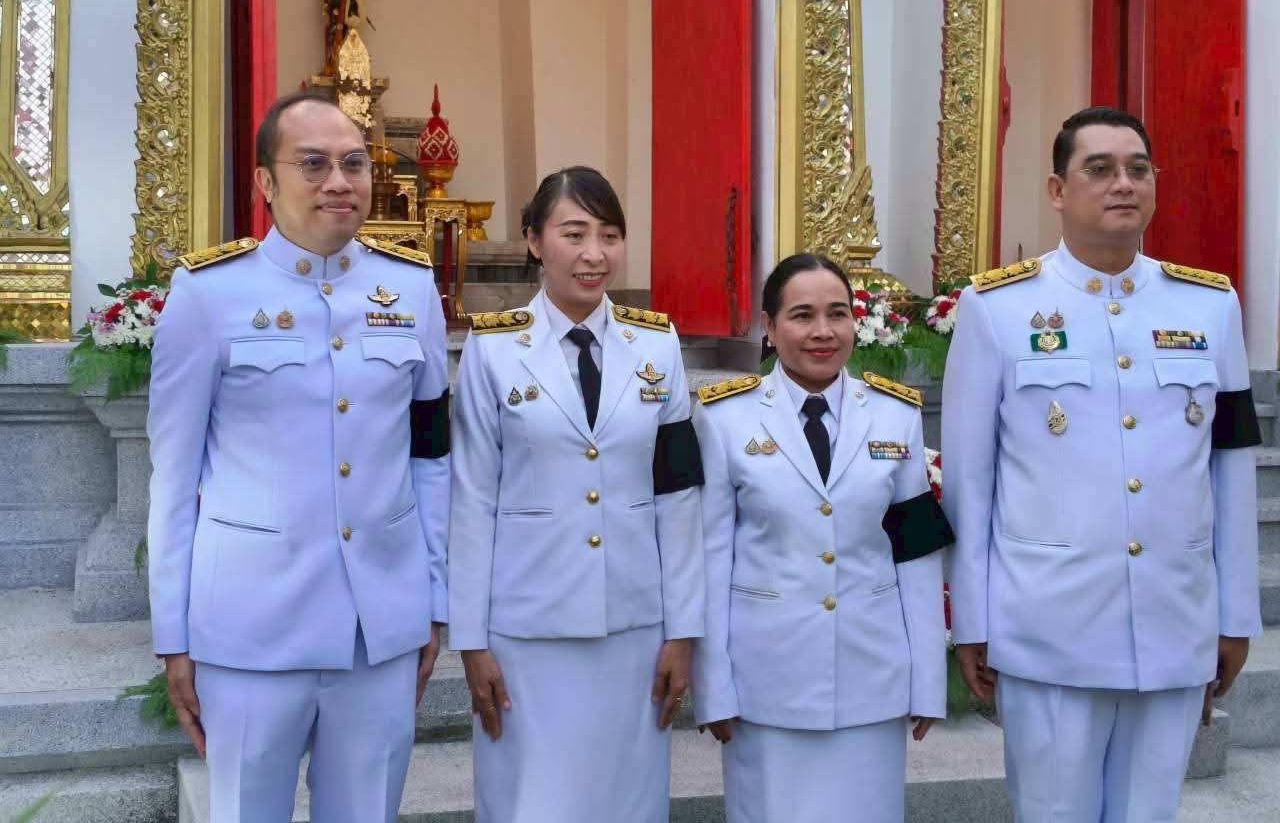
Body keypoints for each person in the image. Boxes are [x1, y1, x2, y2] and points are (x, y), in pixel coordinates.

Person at [942, 106, 1262, 822]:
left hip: (1173, 621)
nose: (1123, 184)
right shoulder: (998, 308)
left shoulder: (1209, 305)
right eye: (1100, 169)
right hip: (1047, 625)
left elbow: (1232, 468)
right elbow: (969, 481)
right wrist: (972, 620)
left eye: (1137, 169)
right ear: (1058, 190)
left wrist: (1234, 613)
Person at [147, 91, 450, 823]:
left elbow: (431, 457)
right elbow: (174, 477)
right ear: (265, 181)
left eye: (352, 164)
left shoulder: (409, 291)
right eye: (311, 164)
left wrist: (435, 601)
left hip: (377, 626)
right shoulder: (209, 295)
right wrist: (173, 636)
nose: (337, 182)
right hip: (250, 625)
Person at [448, 166, 705, 822]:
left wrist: (683, 629)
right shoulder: (493, 348)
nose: (595, 254)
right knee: (531, 800)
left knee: (629, 800)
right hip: (527, 628)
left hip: (634, 624)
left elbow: (678, 494)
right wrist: (472, 640)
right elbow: (472, 497)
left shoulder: (657, 343)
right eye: (574, 233)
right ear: (535, 240)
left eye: (610, 235)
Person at [692, 253, 954, 823]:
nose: (822, 332)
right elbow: (710, 559)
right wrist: (713, 685)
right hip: (767, 681)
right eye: (802, 315)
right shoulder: (724, 418)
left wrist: (927, 678)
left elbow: (915, 554)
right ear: (768, 325)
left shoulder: (894, 415)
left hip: (872, 677)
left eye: (838, 314)